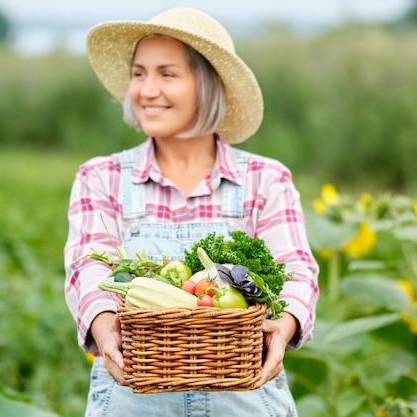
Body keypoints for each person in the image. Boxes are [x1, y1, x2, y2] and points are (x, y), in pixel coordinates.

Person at [64, 7, 319, 417]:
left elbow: (296, 267)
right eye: (139, 74)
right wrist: (102, 323)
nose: (147, 90)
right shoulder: (103, 177)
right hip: (133, 401)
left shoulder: (264, 179)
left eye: (167, 74)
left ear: (207, 85)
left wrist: (285, 321)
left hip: (245, 401)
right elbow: (87, 265)